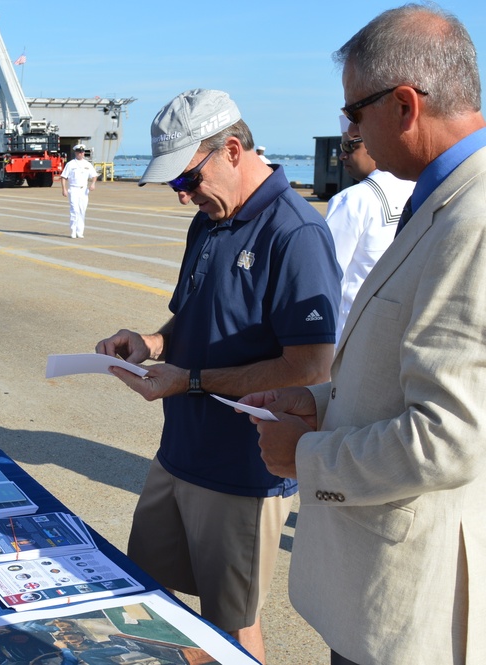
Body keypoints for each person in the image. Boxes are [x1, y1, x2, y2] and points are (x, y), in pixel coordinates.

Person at [242, 6, 486, 664]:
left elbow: (446, 437)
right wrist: (320, 403)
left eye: (353, 113)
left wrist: (308, 454)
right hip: (377, 588)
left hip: (408, 607)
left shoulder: (473, 217)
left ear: (405, 104)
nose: (349, 130)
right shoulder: (441, 197)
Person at [97, 89, 340, 663]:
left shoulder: (296, 233)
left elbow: (310, 368)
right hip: (179, 451)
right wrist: (153, 343)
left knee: (229, 626)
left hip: (243, 469)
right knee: (152, 604)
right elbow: (193, 315)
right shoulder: (210, 221)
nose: (184, 199)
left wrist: (192, 380)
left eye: (187, 182)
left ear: (231, 150)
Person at [325, 114, 413, 343]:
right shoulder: (417, 188)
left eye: (348, 145)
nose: (342, 155)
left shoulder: (352, 201)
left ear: (372, 143)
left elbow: (326, 278)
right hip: (400, 332)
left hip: (350, 335)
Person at [60, 144, 97, 238]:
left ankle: (80, 232)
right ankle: (73, 231)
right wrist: (64, 189)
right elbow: (64, 177)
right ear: (75, 152)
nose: (81, 154)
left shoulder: (87, 164)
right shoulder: (71, 164)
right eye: (79, 152)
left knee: (82, 211)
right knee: (74, 210)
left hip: (84, 190)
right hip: (73, 189)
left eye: (82, 152)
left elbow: (94, 175)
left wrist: (93, 183)